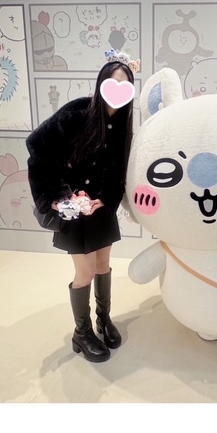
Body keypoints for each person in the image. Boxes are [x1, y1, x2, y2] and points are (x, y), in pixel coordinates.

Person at [26, 54, 135, 363]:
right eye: (112, 83)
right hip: (73, 210)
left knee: (103, 265)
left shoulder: (122, 125)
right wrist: (57, 195)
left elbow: (119, 170)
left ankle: (103, 319)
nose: (117, 90)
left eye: (125, 85)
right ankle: (82, 332)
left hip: (99, 210)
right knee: (84, 271)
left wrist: (107, 198)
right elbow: (38, 146)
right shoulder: (78, 112)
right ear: (101, 84)